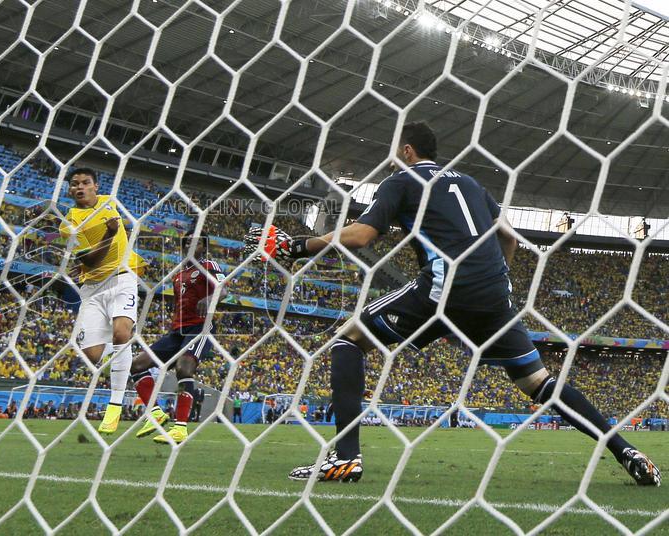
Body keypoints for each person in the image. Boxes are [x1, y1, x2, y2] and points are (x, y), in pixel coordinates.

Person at [246, 122, 660, 486]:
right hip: (495, 296)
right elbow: (510, 239)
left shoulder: (403, 180)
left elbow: (360, 236)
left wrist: (299, 246)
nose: (391, 160)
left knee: (347, 341)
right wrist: (495, 288)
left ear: (408, 151)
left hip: (444, 289)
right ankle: (627, 452)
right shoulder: (471, 183)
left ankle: (345, 458)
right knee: (539, 384)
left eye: (395, 151)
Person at [59, 168, 145, 435]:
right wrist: (108, 234)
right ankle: (129, 357)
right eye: (75, 184)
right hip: (92, 288)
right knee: (91, 355)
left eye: (86, 182)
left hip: (122, 278)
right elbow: (90, 261)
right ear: (70, 190)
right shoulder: (68, 225)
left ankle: (115, 405)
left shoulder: (110, 202)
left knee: (122, 333)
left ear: (96, 186)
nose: (80, 187)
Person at [131, 227, 225, 444]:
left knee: (184, 369)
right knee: (136, 365)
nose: (192, 245)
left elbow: (224, 290)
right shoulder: (180, 273)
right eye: (188, 242)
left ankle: (180, 427)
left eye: (197, 243)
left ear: (204, 247)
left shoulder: (209, 266)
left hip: (200, 328)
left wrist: (210, 299)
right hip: (177, 332)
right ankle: (155, 413)